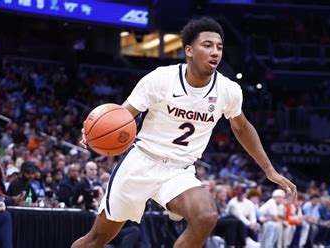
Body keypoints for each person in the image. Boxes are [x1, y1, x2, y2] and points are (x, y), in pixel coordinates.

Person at [73, 17, 296, 248]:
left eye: (219, 47)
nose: (215, 52)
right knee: (97, 239)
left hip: (179, 170)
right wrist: (95, 129)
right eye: (207, 45)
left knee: (206, 217)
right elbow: (124, 114)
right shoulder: (161, 79)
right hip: (140, 162)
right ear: (189, 50)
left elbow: (241, 127)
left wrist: (269, 170)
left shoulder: (228, 90)